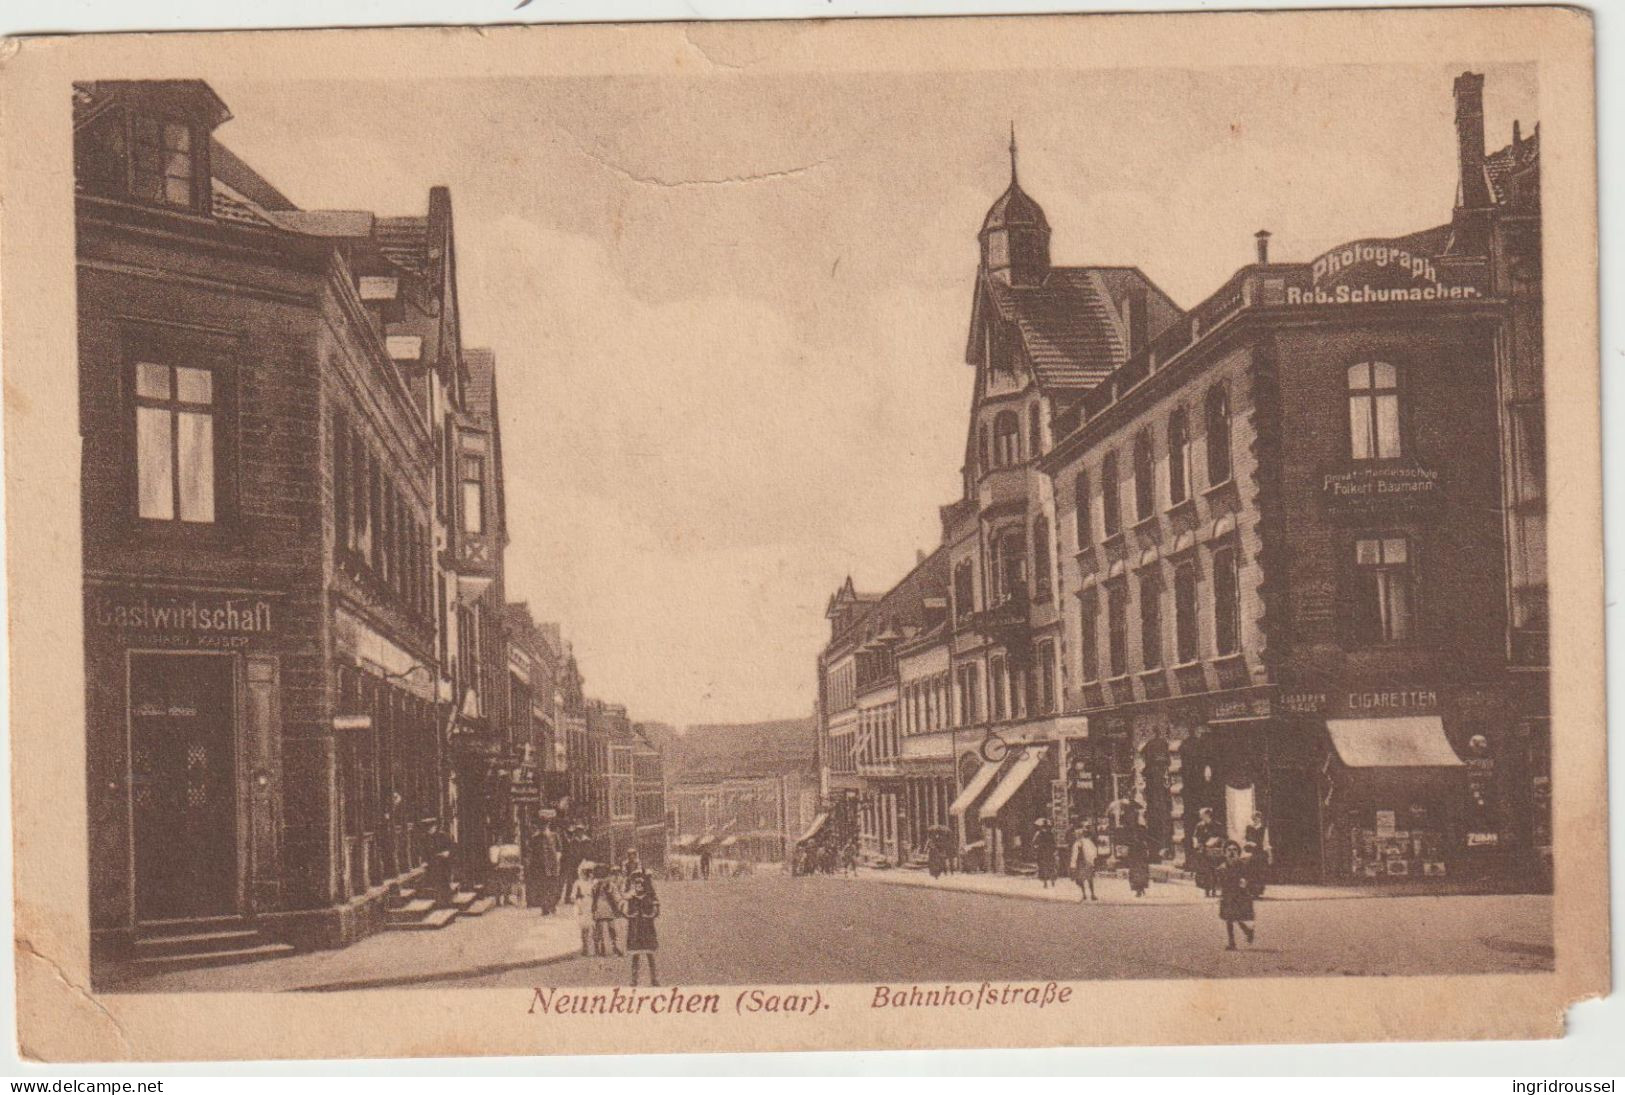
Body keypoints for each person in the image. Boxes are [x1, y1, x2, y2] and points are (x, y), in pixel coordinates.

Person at [1215, 840, 1257, 949]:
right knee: (1229, 918)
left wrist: (1245, 881)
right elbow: (1220, 882)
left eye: (1234, 850)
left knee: (1236, 916)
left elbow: (1248, 877)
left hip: (1240, 894)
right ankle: (1232, 942)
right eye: (1229, 850)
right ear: (1225, 852)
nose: (1232, 852)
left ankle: (1246, 932)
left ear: (1238, 852)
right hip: (1228, 894)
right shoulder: (1222, 867)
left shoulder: (1242, 865)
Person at [624, 870, 661, 987]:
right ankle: (634, 980)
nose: (638, 886)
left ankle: (654, 979)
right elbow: (624, 910)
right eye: (636, 884)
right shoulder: (631, 897)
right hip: (635, 930)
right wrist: (630, 915)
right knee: (635, 956)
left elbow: (656, 910)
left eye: (641, 884)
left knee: (650, 955)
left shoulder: (650, 896)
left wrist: (650, 914)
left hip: (647, 929)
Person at [590, 862, 624, 956]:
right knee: (603, 928)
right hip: (602, 907)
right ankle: (603, 946)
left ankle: (609, 946)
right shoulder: (597, 885)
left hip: (606, 907)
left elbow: (615, 895)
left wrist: (619, 902)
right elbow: (592, 896)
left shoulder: (608, 885)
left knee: (609, 927)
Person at [1191, 808, 1222, 897]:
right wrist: (1196, 843)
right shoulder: (1199, 825)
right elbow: (1195, 836)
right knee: (1205, 870)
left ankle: (1214, 889)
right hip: (1202, 850)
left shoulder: (1216, 825)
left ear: (1207, 814)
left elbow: (1220, 836)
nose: (1200, 816)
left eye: (1202, 814)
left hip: (1213, 850)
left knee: (1214, 870)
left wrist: (1213, 842)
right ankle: (1206, 890)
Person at [1069, 825, 1098, 902]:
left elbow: (1074, 855)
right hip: (1084, 863)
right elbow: (1094, 851)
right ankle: (1088, 894)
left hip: (1083, 863)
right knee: (1085, 879)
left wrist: (1073, 865)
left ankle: (1088, 894)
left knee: (1086, 879)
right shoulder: (1084, 842)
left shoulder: (1082, 842)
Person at [571, 862, 595, 956]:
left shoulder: (593, 883)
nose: (588, 874)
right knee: (584, 927)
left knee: (593, 926)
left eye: (589, 872)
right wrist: (578, 905)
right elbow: (573, 896)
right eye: (585, 872)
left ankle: (595, 947)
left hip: (592, 903)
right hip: (582, 904)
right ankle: (585, 948)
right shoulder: (578, 883)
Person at [1124, 822, 1152, 897]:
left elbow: (1146, 852)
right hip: (1137, 862)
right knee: (1138, 876)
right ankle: (1140, 890)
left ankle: (1139, 890)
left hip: (1139, 862)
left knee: (1139, 876)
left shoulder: (1141, 842)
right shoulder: (1138, 842)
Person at [1033, 819, 1057, 888]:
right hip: (1050, 852)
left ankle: (1045, 882)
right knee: (1051, 866)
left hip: (1042, 852)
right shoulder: (1051, 833)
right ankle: (1052, 880)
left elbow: (1034, 842)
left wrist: (1036, 847)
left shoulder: (1039, 833)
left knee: (1043, 867)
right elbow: (1054, 843)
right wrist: (1054, 850)